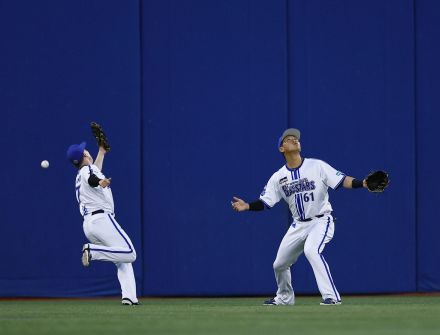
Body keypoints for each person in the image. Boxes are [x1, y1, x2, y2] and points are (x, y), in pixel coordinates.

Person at [231, 128, 369, 306]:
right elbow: (266, 202)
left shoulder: (317, 165)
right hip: (298, 225)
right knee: (279, 264)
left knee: (311, 251)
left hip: (321, 220)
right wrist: (248, 206)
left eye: (296, 138)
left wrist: (363, 183)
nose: (294, 140)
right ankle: (285, 298)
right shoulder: (278, 177)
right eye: (289, 139)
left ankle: (332, 297)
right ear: (281, 149)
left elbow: (342, 180)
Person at [66, 140, 139, 306]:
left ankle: (129, 297)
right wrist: (100, 182)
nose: (87, 152)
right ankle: (93, 252)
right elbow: (93, 177)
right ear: (84, 156)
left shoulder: (80, 174)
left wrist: (102, 152)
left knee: (121, 259)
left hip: (90, 224)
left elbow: (94, 171)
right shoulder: (87, 170)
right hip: (101, 219)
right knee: (130, 253)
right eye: (85, 151)